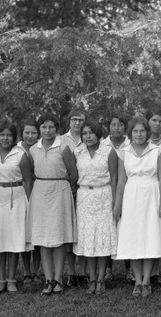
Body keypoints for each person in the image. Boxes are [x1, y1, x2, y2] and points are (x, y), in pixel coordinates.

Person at [114, 117, 161, 298]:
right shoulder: (123, 152)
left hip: (151, 195)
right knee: (134, 239)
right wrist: (117, 205)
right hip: (131, 198)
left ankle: (147, 280)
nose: (139, 134)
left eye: (142, 131)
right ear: (130, 133)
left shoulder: (157, 151)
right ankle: (137, 281)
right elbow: (121, 180)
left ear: (148, 132)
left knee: (150, 236)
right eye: (136, 131)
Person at [28, 113, 78, 295]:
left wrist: (64, 187)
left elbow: (74, 174)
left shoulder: (63, 147)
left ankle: (58, 279)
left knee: (58, 239)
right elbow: (32, 172)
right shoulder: (34, 149)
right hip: (41, 192)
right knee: (43, 239)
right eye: (43, 127)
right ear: (39, 129)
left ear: (56, 129)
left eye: (51, 127)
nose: (47, 131)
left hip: (60, 191)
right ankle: (48, 279)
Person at [0, 121, 33, 295]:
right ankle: (0, 280)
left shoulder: (21, 154)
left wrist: (28, 203)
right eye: (2, 135)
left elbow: (28, 181)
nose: (5, 138)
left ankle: (11, 280)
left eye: (9, 135)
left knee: (13, 240)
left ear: (14, 137)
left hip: (16, 199)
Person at [74, 121, 118, 295]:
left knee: (102, 238)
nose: (88, 136)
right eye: (84, 133)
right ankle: (91, 278)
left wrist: (115, 202)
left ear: (98, 134)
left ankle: (101, 278)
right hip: (85, 196)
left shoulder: (108, 151)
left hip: (104, 196)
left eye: (91, 133)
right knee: (88, 239)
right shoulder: (77, 152)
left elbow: (114, 178)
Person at [100, 113, 133, 283]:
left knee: (126, 230)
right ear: (109, 127)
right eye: (113, 124)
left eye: (120, 124)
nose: (117, 127)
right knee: (108, 230)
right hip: (106, 191)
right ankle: (107, 269)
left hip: (130, 191)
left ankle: (129, 269)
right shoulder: (102, 145)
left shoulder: (131, 144)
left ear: (125, 127)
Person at [61, 107, 88, 287]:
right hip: (68, 190)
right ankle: (71, 272)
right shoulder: (62, 140)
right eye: (74, 119)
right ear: (69, 121)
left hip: (86, 190)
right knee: (71, 232)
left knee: (84, 231)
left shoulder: (89, 137)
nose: (77, 123)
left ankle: (84, 272)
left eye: (81, 119)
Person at [145, 108, 161, 287]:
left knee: (156, 230)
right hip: (144, 190)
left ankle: (155, 272)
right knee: (145, 231)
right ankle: (138, 271)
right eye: (154, 120)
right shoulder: (141, 140)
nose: (157, 124)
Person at [17, 116, 42, 285]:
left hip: (40, 194)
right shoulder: (16, 150)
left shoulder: (41, 148)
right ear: (22, 134)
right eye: (27, 132)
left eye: (33, 133)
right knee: (24, 235)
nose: (30, 136)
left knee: (38, 235)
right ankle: (26, 271)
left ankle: (37, 271)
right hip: (20, 194)